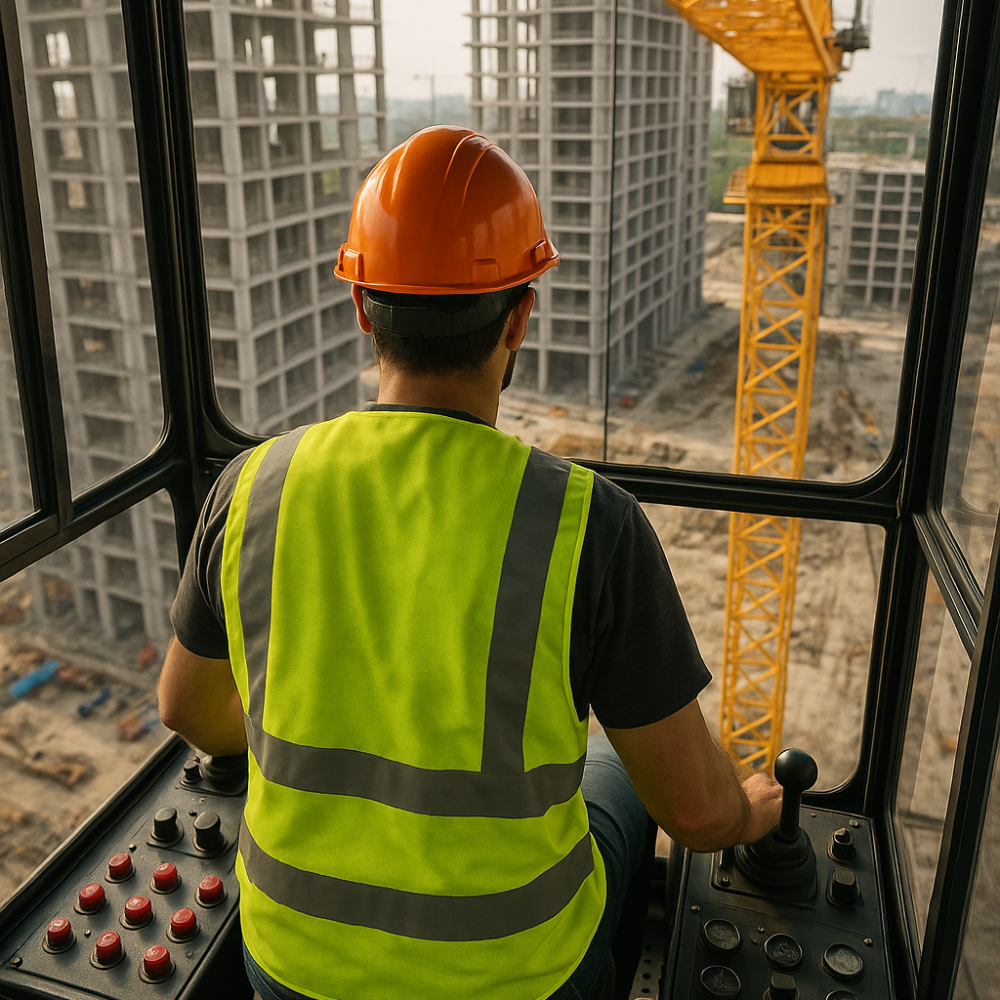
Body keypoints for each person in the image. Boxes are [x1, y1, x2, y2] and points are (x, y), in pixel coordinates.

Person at [158, 125, 782, 1000]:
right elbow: (695, 812)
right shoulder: (588, 523)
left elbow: (188, 707)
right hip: (518, 978)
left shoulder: (252, 484)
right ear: (521, 314)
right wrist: (756, 808)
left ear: (362, 306)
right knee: (613, 775)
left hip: (290, 965)